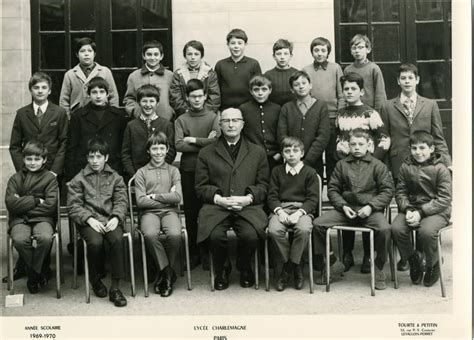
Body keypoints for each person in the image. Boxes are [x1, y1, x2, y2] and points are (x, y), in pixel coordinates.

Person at [381, 63, 452, 272]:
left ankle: (425, 254)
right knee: (404, 207)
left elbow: (438, 137)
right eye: (403, 78)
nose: (406, 81)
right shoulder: (387, 106)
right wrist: (384, 167)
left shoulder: (429, 104)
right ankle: (408, 256)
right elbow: (384, 138)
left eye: (410, 78)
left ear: (417, 80)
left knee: (426, 208)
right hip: (399, 165)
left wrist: (447, 163)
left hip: (427, 164)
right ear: (398, 81)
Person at [195, 108, 269, 290]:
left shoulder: (257, 152)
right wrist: (218, 199)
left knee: (251, 236)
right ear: (219, 125)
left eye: (235, 120)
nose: (231, 124)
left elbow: (264, 185)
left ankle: (244, 266)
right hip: (217, 206)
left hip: (247, 206)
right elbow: (200, 187)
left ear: (242, 124)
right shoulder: (206, 152)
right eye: (226, 121)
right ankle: (222, 268)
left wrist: (248, 199)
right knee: (214, 236)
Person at [312, 129, 394, 290]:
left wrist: (371, 207)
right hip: (346, 209)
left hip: (370, 210)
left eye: (361, 144)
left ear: (369, 145)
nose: (357, 147)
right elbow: (333, 189)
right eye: (353, 144)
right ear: (348, 146)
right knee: (318, 224)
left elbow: (387, 191)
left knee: (384, 229)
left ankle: (378, 267)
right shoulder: (341, 165)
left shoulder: (378, 165)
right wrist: (343, 205)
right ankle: (333, 263)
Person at [7, 72, 68, 283]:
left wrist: (54, 171)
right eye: (36, 88)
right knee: (23, 213)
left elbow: (63, 143)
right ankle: (27, 266)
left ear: (50, 90)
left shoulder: (59, 113)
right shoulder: (22, 113)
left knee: (47, 217)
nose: (40, 91)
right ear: (30, 90)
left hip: (50, 173)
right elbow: (15, 145)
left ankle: (42, 265)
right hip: (27, 173)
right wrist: (23, 169)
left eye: (44, 88)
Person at [335, 72, 391, 273]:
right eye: (346, 89)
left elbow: (384, 139)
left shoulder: (370, 113)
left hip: (368, 171)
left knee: (366, 207)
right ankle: (347, 253)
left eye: (353, 89)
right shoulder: (341, 114)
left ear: (361, 91)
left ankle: (369, 255)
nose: (349, 92)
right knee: (348, 204)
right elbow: (339, 140)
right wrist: (342, 159)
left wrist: (372, 161)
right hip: (347, 168)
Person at [67, 138, 128, 307]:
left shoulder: (116, 178)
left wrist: (116, 217)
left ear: (106, 158)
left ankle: (115, 288)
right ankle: (94, 279)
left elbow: (122, 201)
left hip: (110, 220)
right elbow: (74, 205)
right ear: (87, 158)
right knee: (95, 242)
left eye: (99, 157)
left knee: (117, 240)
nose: (95, 161)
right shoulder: (78, 179)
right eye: (91, 157)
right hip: (90, 221)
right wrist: (89, 219)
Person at [391, 131, 452, 287]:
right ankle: (413, 260)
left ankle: (433, 264)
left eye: (422, 148)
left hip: (437, 211)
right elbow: (401, 192)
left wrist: (421, 212)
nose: (418, 152)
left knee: (426, 231)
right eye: (414, 148)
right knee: (396, 228)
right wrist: (408, 209)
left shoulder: (440, 168)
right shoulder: (406, 166)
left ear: (431, 149)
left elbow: (444, 198)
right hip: (412, 208)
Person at [174, 79, 220, 269]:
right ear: (186, 98)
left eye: (200, 96)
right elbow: (178, 144)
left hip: (210, 170)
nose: (197, 100)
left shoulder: (213, 116)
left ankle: (208, 250)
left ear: (206, 96)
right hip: (189, 170)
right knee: (192, 213)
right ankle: (193, 252)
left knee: (209, 211)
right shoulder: (181, 119)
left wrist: (193, 139)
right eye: (193, 96)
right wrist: (205, 141)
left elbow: (217, 140)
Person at [267, 137, 320, 291]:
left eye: (295, 151)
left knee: (303, 230)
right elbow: (271, 196)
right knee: (274, 230)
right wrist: (279, 211)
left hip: (302, 210)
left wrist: (299, 213)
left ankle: (289, 269)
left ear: (302, 153)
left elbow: (312, 199)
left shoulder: (310, 172)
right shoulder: (277, 171)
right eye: (287, 151)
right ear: (283, 154)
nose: (291, 154)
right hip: (281, 208)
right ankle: (293, 264)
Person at [5, 141, 58, 294]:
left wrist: (22, 204)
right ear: (23, 159)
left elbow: (50, 205)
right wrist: (35, 200)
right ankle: (39, 271)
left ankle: (32, 273)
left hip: (43, 219)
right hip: (20, 220)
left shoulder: (49, 179)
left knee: (46, 237)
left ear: (44, 160)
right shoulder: (15, 179)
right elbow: (11, 204)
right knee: (20, 239)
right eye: (29, 159)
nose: (32, 163)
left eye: (37, 159)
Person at [134, 132, 183, 297]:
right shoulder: (141, 172)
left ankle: (163, 274)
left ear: (167, 149)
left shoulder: (173, 171)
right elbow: (141, 201)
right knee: (149, 234)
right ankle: (168, 273)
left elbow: (178, 197)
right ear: (148, 150)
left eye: (162, 148)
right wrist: (167, 198)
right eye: (154, 148)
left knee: (175, 234)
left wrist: (154, 196)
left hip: (170, 212)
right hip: (148, 213)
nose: (158, 152)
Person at [65, 76, 128, 181]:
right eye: (94, 92)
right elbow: (72, 146)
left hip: (112, 168)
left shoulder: (118, 116)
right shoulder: (79, 116)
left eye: (102, 92)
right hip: (84, 168)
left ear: (107, 94)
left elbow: (122, 146)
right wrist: (72, 174)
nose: (98, 96)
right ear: (89, 95)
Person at [302, 37, 345, 181]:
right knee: (315, 155)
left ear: (328, 52)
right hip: (314, 118)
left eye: (323, 50)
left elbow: (341, 95)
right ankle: (316, 191)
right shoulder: (306, 70)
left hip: (332, 117)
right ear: (312, 52)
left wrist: (340, 115)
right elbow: (305, 95)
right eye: (316, 50)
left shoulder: (335, 68)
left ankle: (334, 191)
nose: (319, 53)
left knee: (333, 154)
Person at [278, 70, 330, 181]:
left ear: (310, 85)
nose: (301, 87)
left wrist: (307, 161)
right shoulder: (286, 108)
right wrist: (294, 157)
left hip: (314, 162)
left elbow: (323, 136)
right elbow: (282, 135)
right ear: (292, 89)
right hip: (291, 162)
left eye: (304, 83)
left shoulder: (321, 106)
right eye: (296, 85)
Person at [122, 84, 176, 181]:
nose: (148, 105)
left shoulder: (166, 125)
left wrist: (160, 171)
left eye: (152, 101)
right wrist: (134, 174)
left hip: (161, 176)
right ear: (138, 102)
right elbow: (126, 153)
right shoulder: (131, 126)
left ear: (157, 103)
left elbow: (171, 151)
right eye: (144, 101)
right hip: (137, 175)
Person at [60, 37, 119, 117]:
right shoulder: (70, 74)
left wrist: (112, 116)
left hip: (101, 116)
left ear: (94, 54)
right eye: (82, 51)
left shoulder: (105, 72)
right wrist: (68, 118)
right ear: (77, 54)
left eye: (90, 51)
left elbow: (113, 96)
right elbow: (64, 100)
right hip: (78, 117)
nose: (86, 54)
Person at [123, 40, 174, 121]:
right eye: (149, 54)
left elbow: (174, 97)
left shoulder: (170, 75)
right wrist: (135, 111)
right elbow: (129, 98)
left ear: (161, 56)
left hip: (165, 120)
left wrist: (170, 112)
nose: (153, 58)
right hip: (141, 120)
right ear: (143, 56)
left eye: (156, 54)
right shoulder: (134, 76)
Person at [239, 75, 282, 170]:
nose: (260, 93)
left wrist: (279, 153)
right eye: (256, 90)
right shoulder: (244, 109)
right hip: (251, 157)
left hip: (275, 157)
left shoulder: (277, 109)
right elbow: (241, 134)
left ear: (270, 90)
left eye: (264, 89)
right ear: (251, 91)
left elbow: (282, 133)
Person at [169, 40, 220, 116]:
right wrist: (188, 112)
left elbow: (214, 97)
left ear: (201, 56)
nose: (193, 57)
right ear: (185, 55)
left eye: (196, 54)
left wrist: (203, 113)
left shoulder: (209, 73)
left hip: (205, 115)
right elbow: (175, 98)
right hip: (185, 115)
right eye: (189, 54)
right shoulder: (178, 74)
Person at [215, 28, 262, 110]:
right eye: (233, 43)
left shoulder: (253, 64)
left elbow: (258, 88)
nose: (236, 46)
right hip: (226, 109)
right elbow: (216, 90)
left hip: (249, 108)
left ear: (245, 44)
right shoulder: (220, 65)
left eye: (240, 43)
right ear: (228, 44)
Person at [343, 34, 386, 113]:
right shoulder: (348, 70)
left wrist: (377, 113)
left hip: (369, 111)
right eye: (354, 48)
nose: (357, 51)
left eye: (360, 47)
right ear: (351, 51)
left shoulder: (374, 68)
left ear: (368, 49)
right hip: (352, 110)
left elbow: (380, 94)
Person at [263, 39, 298, 106]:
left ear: (291, 56)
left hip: (292, 110)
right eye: (279, 54)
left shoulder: (296, 73)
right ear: (274, 56)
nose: (282, 57)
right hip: (273, 111)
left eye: (286, 54)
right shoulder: (268, 75)